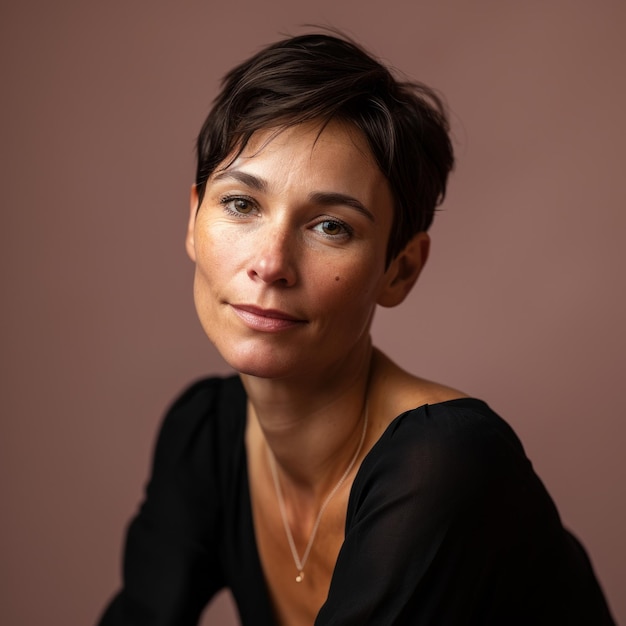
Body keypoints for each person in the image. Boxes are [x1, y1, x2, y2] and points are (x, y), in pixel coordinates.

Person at [97, 32, 615, 625]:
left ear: (400, 270)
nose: (270, 263)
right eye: (241, 204)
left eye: (330, 227)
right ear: (193, 219)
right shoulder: (205, 438)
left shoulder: (444, 462)